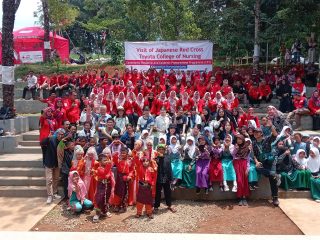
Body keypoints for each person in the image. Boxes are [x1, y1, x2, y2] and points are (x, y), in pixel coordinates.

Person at [252, 126, 279, 206]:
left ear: (261, 133)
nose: (255, 134)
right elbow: (254, 155)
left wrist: (271, 126)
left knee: (273, 179)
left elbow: (274, 135)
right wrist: (256, 162)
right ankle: (272, 173)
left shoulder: (267, 139)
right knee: (257, 168)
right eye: (254, 132)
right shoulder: (253, 143)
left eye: (257, 132)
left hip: (268, 162)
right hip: (260, 163)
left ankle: (275, 198)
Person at [41, 128, 65, 204]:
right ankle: (50, 195)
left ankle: (54, 193)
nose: (60, 135)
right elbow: (42, 143)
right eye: (59, 134)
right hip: (49, 162)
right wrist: (48, 138)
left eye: (62, 134)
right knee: (49, 180)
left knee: (56, 179)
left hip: (57, 163)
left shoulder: (62, 141)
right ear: (56, 133)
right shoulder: (51, 139)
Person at [154, 144, 177, 213]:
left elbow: (170, 168)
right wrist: (160, 158)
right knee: (158, 192)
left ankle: (169, 205)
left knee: (168, 192)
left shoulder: (167, 157)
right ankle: (156, 206)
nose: (161, 150)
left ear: (165, 150)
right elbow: (156, 165)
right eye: (159, 149)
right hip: (158, 177)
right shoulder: (155, 158)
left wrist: (171, 178)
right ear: (157, 150)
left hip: (166, 177)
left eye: (162, 149)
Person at [92, 152, 115, 222]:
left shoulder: (107, 166)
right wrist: (109, 165)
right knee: (99, 198)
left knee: (106, 198)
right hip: (101, 185)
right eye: (104, 160)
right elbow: (105, 174)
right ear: (100, 162)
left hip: (108, 184)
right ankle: (97, 214)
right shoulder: (99, 168)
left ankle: (105, 211)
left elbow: (109, 174)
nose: (106, 161)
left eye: (107, 160)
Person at [112, 146, 133, 213]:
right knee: (117, 191)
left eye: (124, 153)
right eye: (122, 153)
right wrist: (116, 154)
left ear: (127, 153)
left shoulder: (130, 161)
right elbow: (114, 159)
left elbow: (132, 170)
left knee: (124, 192)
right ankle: (116, 205)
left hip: (125, 178)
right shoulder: (118, 160)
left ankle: (123, 206)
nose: (123, 154)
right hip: (119, 177)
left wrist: (129, 176)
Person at [232, 134, 250, 206]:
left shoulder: (247, 148)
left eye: (240, 139)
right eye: (237, 139)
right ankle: (239, 197)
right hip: (237, 163)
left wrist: (247, 168)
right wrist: (236, 149)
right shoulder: (235, 147)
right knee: (239, 180)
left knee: (245, 180)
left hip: (244, 163)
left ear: (243, 140)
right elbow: (233, 155)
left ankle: (244, 197)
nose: (239, 141)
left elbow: (248, 159)